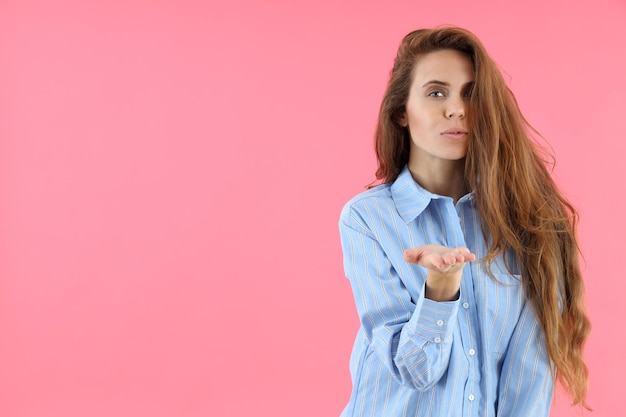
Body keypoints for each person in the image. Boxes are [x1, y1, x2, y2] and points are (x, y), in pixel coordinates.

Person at [338, 27, 590, 417]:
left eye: (470, 94)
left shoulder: (531, 222)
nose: (456, 108)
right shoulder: (367, 219)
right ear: (401, 111)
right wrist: (439, 292)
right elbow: (414, 370)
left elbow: (529, 377)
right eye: (436, 92)